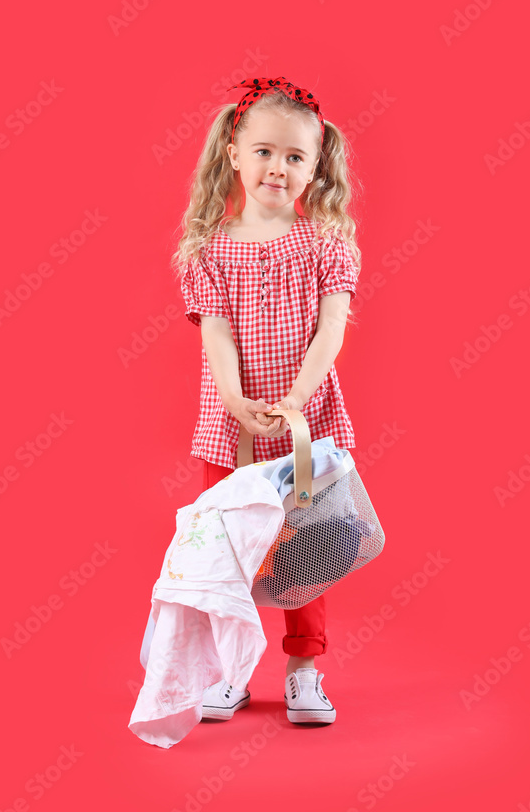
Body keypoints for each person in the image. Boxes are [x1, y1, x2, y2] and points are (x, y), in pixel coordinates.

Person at [171, 75, 362, 725]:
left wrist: (294, 401)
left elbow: (330, 327)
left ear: (313, 167)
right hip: (231, 428)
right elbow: (216, 334)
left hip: (304, 422)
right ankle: (231, 672)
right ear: (232, 151)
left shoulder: (326, 242)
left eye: (293, 156)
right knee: (228, 549)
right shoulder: (208, 249)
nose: (276, 167)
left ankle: (305, 670)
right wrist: (234, 397)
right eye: (263, 151)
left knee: (307, 547)